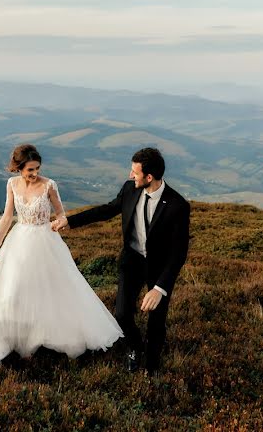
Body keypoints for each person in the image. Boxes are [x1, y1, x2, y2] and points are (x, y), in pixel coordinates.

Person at [0, 144, 123, 364]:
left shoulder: (49, 186)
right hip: (19, 241)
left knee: (53, 288)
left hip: (45, 240)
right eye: (30, 170)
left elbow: (61, 213)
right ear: (19, 168)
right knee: (14, 288)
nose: (34, 174)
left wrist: (58, 222)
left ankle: (51, 336)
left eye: (37, 169)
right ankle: (18, 336)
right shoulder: (11, 184)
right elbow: (6, 218)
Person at [53, 147, 190, 374]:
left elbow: (179, 253)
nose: (129, 176)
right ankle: (134, 347)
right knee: (122, 314)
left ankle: (152, 366)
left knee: (157, 320)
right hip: (132, 260)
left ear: (149, 177)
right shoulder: (130, 189)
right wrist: (70, 221)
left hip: (159, 268)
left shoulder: (177, 205)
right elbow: (107, 210)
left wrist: (159, 288)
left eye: (134, 172)